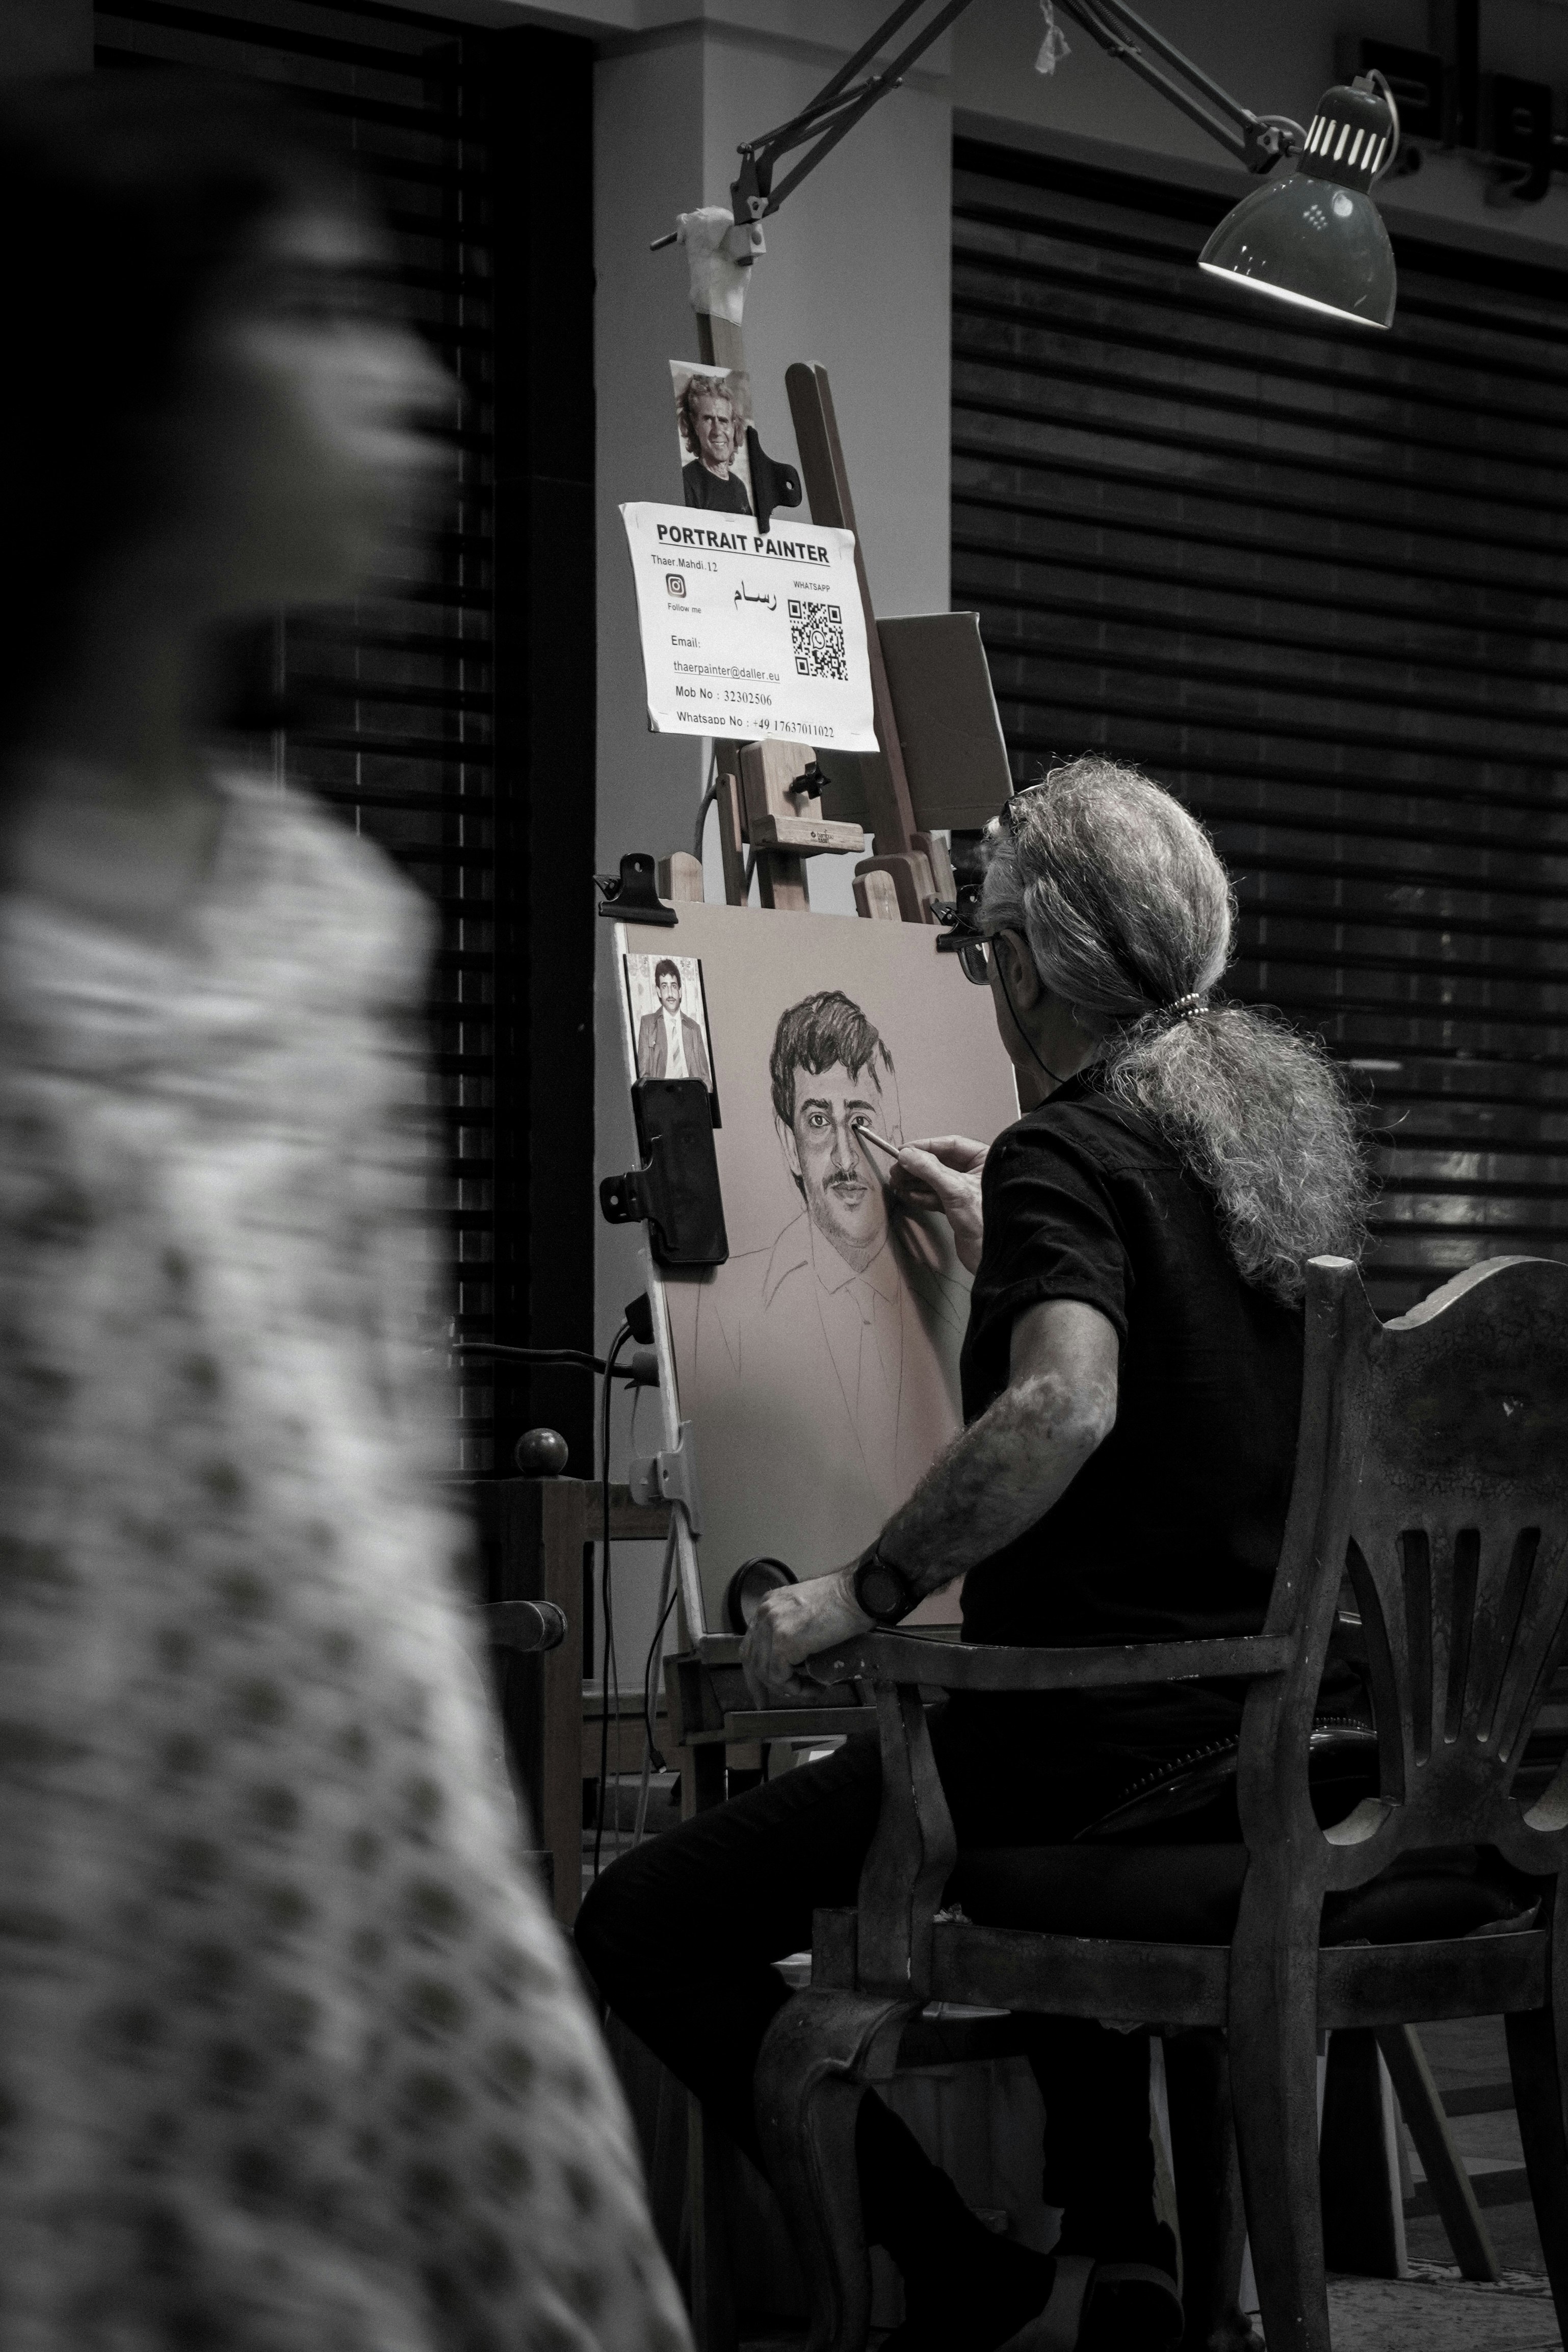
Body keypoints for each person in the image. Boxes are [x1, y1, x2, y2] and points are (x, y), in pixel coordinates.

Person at [0, 76, 689, 2352]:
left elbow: (380, 1536)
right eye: (309, 306)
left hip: (330, 1872)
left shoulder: (327, 930)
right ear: (118, 386)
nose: (410, 381)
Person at [577, 757, 1370, 2352]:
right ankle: (1119, 2247)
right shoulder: (1264, 1154)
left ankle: (973, 2284)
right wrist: (1003, 1242)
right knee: (1006, 1708)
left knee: (640, 1917)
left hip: (1102, 1762)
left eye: (979, 942)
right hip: (1295, 1753)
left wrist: (857, 1586)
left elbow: (1067, 1402)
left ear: (1021, 966)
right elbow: (1156, 1439)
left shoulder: (1064, 1153)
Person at [693, 990, 965, 1530]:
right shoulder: (729, 1316)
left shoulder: (961, 1304)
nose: (843, 1158)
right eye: (818, 1121)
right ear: (789, 1143)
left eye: (859, 1122)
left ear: (893, 1134)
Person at [678, 374, 752, 515]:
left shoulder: (739, 487)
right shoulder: (687, 483)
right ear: (695, 424)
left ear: (734, 427)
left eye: (724, 421)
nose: (717, 431)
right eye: (708, 419)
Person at [636, 957, 711, 1087]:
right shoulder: (648, 1024)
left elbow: (705, 1078)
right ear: (659, 991)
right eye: (665, 986)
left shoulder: (694, 1028)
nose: (670, 993)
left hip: (691, 1093)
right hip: (662, 1095)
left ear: (680, 992)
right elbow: (644, 1077)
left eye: (674, 986)